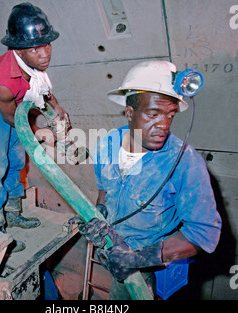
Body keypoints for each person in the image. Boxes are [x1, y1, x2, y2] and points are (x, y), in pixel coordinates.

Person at [71, 60, 222, 299]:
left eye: (170, 115)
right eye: (153, 114)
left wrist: (137, 259)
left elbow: (203, 235)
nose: (163, 125)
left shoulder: (185, 163)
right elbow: (104, 191)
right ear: (130, 113)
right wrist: (97, 215)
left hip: (155, 271)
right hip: (120, 264)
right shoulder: (107, 144)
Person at [0, 3, 69, 248]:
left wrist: (57, 110)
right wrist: (38, 131)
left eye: (47, 44)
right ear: (18, 50)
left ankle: (13, 211)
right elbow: (10, 118)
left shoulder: (36, 66)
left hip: (12, 108)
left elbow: (45, 91)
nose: (45, 54)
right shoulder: (5, 79)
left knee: (17, 159)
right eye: (35, 48)